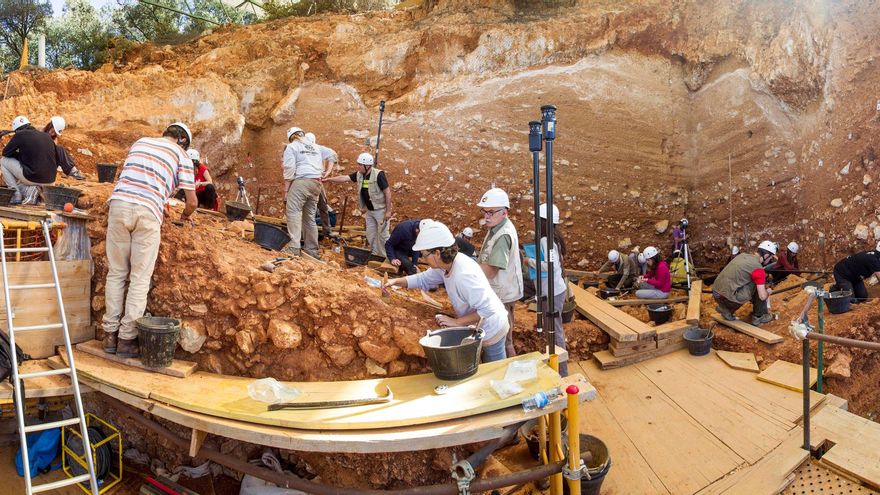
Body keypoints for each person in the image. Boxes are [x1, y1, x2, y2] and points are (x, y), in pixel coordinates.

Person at [102, 122, 197, 358]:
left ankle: (109, 336)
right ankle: (126, 339)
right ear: (183, 141)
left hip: (119, 205)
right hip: (147, 214)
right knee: (139, 279)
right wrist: (184, 217)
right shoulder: (182, 155)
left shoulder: (141, 142)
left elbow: (137, 178)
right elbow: (192, 202)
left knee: (116, 273)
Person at [385, 220, 510, 362]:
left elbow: (489, 309)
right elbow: (423, 279)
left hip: (493, 327)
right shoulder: (445, 266)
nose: (423, 259)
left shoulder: (463, 275)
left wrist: (457, 322)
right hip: (477, 325)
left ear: (437, 253)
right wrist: (396, 282)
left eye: (424, 255)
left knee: (495, 369)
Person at [476, 187, 523, 358]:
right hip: (503, 290)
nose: (486, 216)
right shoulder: (497, 227)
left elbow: (490, 271)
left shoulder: (503, 235)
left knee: (502, 338)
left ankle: (508, 370)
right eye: (484, 212)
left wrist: (467, 267)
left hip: (502, 293)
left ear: (504, 212)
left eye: (490, 212)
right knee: (504, 334)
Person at [524, 203, 569, 376]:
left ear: (543, 220)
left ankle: (562, 372)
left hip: (553, 292)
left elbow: (549, 265)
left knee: (555, 331)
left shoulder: (546, 240)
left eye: (536, 217)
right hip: (552, 290)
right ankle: (557, 366)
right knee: (554, 329)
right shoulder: (551, 238)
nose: (533, 220)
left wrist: (529, 262)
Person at [324, 152, 392, 256]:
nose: (358, 167)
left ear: (367, 165)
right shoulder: (359, 175)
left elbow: (387, 192)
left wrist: (388, 211)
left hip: (381, 211)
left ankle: (385, 256)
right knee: (371, 234)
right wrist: (328, 179)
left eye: (360, 165)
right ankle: (374, 255)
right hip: (370, 211)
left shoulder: (378, 175)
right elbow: (344, 178)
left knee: (383, 235)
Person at [281, 126, 323, 258]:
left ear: (291, 137)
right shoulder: (315, 147)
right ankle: (312, 250)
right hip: (316, 183)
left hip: (302, 181)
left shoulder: (292, 147)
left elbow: (289, 169)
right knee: (309, 218)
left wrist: (286, 190)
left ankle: (294, 246)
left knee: (293, 211)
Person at [712, 240, 777, 325]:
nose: (770, 260)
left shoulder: (742, 256)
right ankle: (759, 316)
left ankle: (726, 310)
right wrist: (768, 292)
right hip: (729, 299)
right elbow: (762, 296)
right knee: (759, 285)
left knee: (742, 282)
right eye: (771, 258)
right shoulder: (758, 269)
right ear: (766, 255)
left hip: (716, 294)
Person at [1, 115, 57, 204]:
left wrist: (19, 155)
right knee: (21, 180)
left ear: (17, 130)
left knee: (4, 161)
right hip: (51, 181)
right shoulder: (46, 136)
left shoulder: (20, 134)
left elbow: (6, 153)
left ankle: (16, 196)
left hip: (34, 178)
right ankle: (32, 191)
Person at [305, 132, 338, 237]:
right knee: (322, 206)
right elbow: (333, 155)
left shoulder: (302, 150)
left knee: (319, 206)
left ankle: (323, 230)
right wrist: (327, 171)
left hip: (307, 181)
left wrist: (327, 172)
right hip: (316, 181)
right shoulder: (318, 149)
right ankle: (326, 230)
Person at [43, 116, 85, 180]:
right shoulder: (38, 131)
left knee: (60, 149)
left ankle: (73, 172)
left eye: (55, 133)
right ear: (50, 125)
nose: (53, 134)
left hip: (47, 163)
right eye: (53, 131)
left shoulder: (54, 139)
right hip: (38, 159)